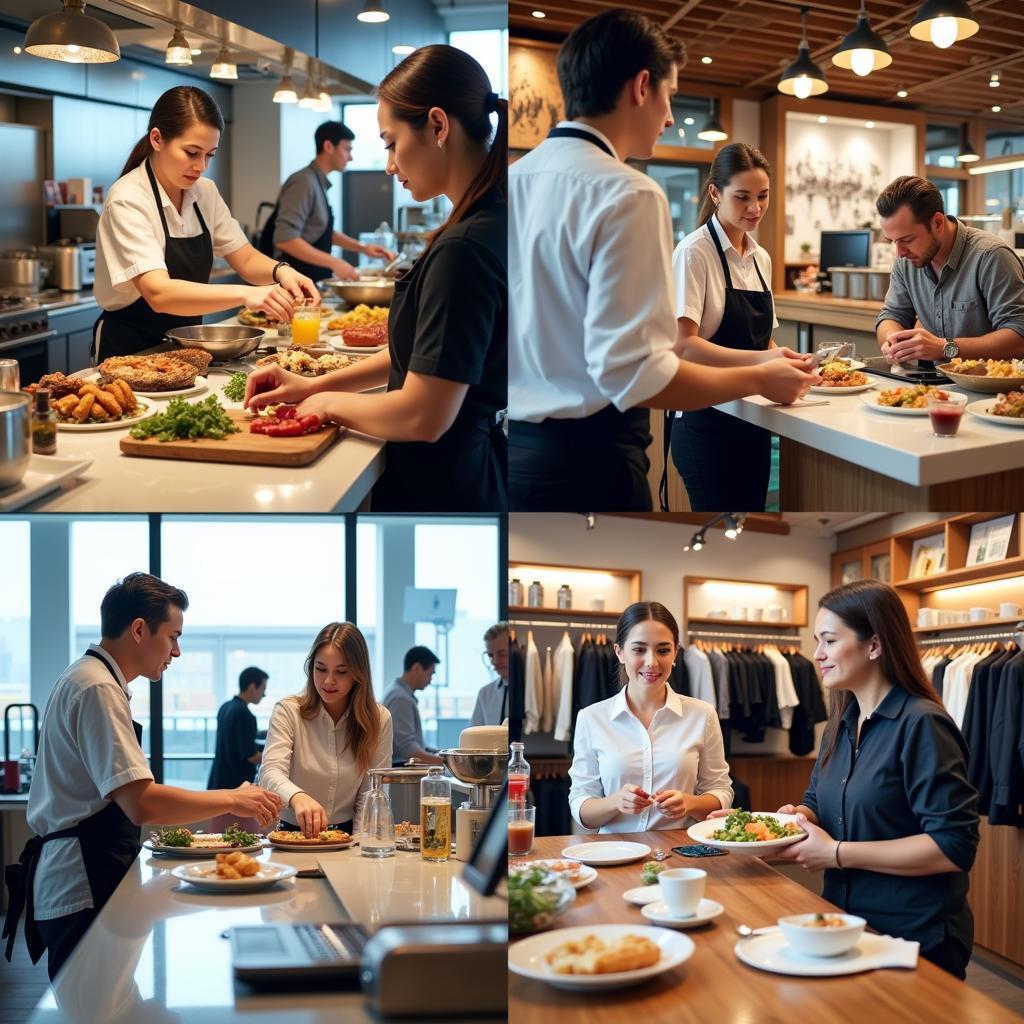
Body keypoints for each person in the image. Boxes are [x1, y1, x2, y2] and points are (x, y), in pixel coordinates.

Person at [508, 9, 817, 512]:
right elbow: (638, 374)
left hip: (518, 453)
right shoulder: (628, 192)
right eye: (670, 96)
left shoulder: (516, 179)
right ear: (642, 86)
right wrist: (761, 375)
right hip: (592, 461)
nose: (671, 116)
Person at [244, 45, 507, 512]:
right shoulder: (484, 222)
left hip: (444, 489)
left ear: (439, 126)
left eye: (390, 143)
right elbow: (423, 354)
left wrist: (325, 406)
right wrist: (313, 386)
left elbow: (423, 414)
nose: (389, 164)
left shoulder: (465, 247)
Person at [1, 573, 281, 980]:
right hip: (81, 881)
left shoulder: (93, 679)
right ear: (138, 630)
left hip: (86, 874)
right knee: (92, 1009)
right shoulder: (97, 687)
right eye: (173, 637)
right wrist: (233, 799)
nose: (177, 652)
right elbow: (141, 803)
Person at [710, 580, 980, 979]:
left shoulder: (922, 724)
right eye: (817, 640)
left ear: (874, 645)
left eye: (830, 641)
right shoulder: (841, 723)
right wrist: (791, 822)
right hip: (844, 921)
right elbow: (817, 801)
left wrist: (836, 853)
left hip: (914, 936)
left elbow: (953, 846)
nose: (817, 654)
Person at [93, 86, 319, 360]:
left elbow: (245, 258)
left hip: (187, 348)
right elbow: (158, 292)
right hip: (129, 352)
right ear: (156, 138)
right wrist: (248, 295)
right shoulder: (127, 199)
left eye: (210, 154)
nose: (201, 166)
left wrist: (282, 271)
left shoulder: (205, 192)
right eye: (191, 152)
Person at [669, 143, 786, 512]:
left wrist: (785, 358)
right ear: (715, 193)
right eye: (743, 197)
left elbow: (763, 339)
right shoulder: (694, 252)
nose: (755, 208)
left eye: (763, 196)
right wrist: (763, 363)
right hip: (704, 423)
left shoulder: (760, 257)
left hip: (751, 420)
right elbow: (684, 345)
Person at [568, 601, 732, 834]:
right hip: (615, 855)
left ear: (676, 652)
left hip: (681, 856)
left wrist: (691, 803)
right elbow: (581, 805)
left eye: (663, 650)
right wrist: (616, 802)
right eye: (639, 649)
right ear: (620, 652)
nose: (652, 662)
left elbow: (721, 790)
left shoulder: (702, 715)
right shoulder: (591, 718)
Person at [259, 622, 392, 837]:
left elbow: (370, 793)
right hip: (292, 836)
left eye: (341, 672)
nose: (328, 681)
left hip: (348, 836)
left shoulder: (379, 719)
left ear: (359, 674)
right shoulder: (289, 711)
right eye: (320, 669)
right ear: (310, 667)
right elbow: (270, 772)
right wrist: (297, 797)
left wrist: (359, 847)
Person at [875, 175, 1024, 364]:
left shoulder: (990, 256)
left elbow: (1019, 336)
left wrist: (945, 348)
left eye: (907, 240)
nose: (899, 252)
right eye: (893, 241)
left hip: (991, 388)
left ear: (937, 223)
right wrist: (892, 340)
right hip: (934, 387)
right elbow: (891, 315)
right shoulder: (905, 261)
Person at [263, 121, 397, 283]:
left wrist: (363, 248)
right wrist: (334, 262)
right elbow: (285, 239)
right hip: (291, 283)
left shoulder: (317, 182)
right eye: (347, 149)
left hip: (308, 279)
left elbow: (322, 231)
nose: (350, 157)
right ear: (328, 146)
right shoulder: (303, 182)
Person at [207, 666, 268, 790]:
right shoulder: (244, 713)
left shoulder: (225, 707)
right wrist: (275, 757)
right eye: (263, 689)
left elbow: (235, 739)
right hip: (236, 785)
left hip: (219, 780)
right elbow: (252, 756)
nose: (264, 695)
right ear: (252, 688)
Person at [382, 646, 443, 765]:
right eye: (430, 674)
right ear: (417, 668)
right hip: (401, 774)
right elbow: (406, 749)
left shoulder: (397, 692)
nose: (430, 680)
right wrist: (447, 764)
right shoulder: (401, 698)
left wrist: (439, 753)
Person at [471, 622, 509, 727]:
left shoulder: (528, 690)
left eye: (501, 654)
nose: (495, 661)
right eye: (490, 655)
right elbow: (474, 737)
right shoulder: (484, 694)